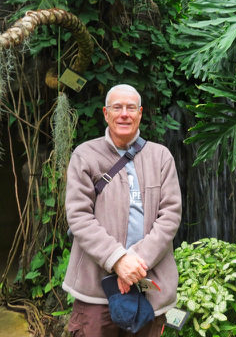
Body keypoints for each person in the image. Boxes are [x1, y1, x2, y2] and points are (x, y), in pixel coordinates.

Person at [62, 84, 182, 336]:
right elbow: (78, 216)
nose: (124, 114)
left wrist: (134, 265)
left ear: (140, 113)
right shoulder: (85, 155)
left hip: (149, 285)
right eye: (117, 107)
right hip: (96, 288)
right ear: (106, 113)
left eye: (130, 108)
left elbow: (170, 215)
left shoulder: (161, 157)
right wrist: (117, 259)